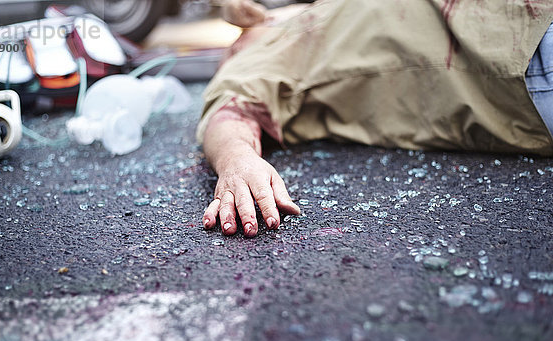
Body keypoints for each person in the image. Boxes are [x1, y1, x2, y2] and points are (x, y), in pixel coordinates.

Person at [200, 0, 553, 237]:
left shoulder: (282, 20)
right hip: (518, 58)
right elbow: (227, 113)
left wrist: (247, 14)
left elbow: (236, 10)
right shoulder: (249, 62)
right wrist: (237, 162)